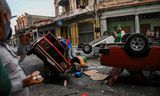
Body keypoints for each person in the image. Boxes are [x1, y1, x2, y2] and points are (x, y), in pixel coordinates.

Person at [0, 0, 43, 96]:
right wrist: (23, 83)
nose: (9, 26)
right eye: (8, 21)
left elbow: (17, 60)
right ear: (3, 17)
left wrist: (23, 45)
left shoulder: (4, 46)